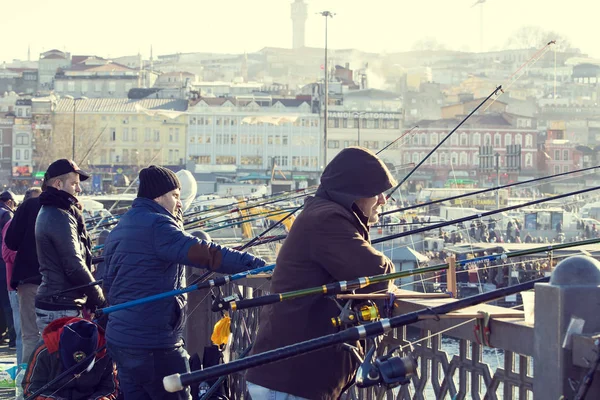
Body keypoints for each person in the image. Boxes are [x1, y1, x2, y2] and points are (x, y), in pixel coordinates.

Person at [102, 165, 267, 400]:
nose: (179, 203)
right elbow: (207, 253)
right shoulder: (158, 226)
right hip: (154, 344)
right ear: (158, 196)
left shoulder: (124, 224)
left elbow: (108, 281)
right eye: (175, 196)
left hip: (121, 340)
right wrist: (257, 265)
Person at [245, 147, 397, 400]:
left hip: (292, 377)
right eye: (376, 192)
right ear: (353, 193)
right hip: (291, 381)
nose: (383, 200)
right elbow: (376, 272)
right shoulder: (327, 219)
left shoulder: (323, 213)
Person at [34, 159, 106, 333]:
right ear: (58, 184)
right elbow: (73, 264)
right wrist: (99, 298)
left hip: (60, 301)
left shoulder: (56, 211)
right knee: (70, 359)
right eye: (74, 184)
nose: (79, 189)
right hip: (60, 305)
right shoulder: (58, 215)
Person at [22, 317, 119, 399]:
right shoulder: (45, 350)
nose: (77, 375)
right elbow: (30, 388)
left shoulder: (104, 352)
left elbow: (111, 389)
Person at [4, 186, 43, 363]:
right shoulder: (13, 223)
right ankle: (24, 376)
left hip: (35, 283)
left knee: (35, 334)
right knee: (25, 334)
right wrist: (29, 253)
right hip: (21, 285)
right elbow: (7, 252)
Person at [0, 190, 16, 348]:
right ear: (10, 201)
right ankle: (12, 338)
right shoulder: (6, 215)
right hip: (3, 264)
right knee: (7, 303)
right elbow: (9, 243)